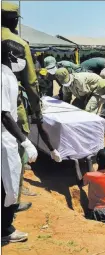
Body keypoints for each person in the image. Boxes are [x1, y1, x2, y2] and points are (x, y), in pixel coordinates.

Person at [2, 2, 60, 207]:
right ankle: (11, 204)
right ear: (14, 20)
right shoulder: (17, 43)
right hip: (9, 104)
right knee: (13, 154)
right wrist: (37, 111)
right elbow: (31, 82)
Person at [1, 39, 40, 243]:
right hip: (4, 139)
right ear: (11, 57)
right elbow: (5, 115)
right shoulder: (3, 77)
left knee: (6, 182)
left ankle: (7, 217)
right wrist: (25, 140)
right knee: (8, 182)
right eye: (21, 58)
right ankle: (5, 229)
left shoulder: (8, 75)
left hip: (7, 136)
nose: (24, 63)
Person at [82, 149, 105, 224]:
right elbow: (95, 174)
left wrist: (76, 163)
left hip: (97, 212)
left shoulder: (90, 175)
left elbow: (81, 182)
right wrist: (89, 161)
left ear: (97, 160)